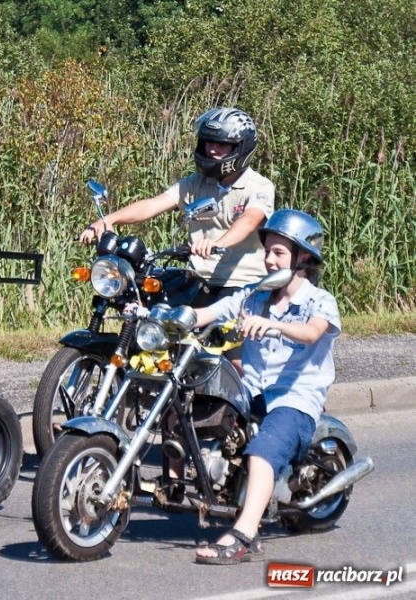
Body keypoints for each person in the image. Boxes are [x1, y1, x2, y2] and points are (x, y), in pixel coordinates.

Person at [191, 209, 340, 565]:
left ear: (304, 259)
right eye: (267, 251)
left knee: (264, 450)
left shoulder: (319, 301)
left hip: (294, 399)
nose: (269, 260)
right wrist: (162, 315)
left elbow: (312, 332)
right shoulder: (253, 295)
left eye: (279, 253)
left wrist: (275, 327)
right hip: (253, 392)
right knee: (192, 402)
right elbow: (209, 313)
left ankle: (243, 536)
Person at [81, 107, 275, 372]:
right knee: (152, 316)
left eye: (222, 145)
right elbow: (152, 205)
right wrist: (109, 220)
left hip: (241, 283)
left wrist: (219, 243)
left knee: (235, 360)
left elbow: (250, 221)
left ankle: (253, 407)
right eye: (208, 143)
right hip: (198, 279)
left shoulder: (259, 186)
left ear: (241, 148)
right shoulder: (195, 183)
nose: (212, 150)